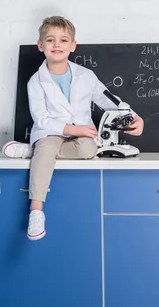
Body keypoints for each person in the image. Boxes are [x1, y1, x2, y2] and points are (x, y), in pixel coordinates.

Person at [24, 16, 144, 240]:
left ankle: (32, 152)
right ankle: (36, 210)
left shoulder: (85, 76)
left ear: (73, 45)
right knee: (48, 147)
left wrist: (133, 115)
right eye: (50, 40)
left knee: (88, 150)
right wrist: (70, 129)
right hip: (50, 133)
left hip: (81, 136)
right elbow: (41, 119)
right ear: (40, 45)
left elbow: (108, 98)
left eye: (63, 40)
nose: (56, 45)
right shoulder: (36, 81)